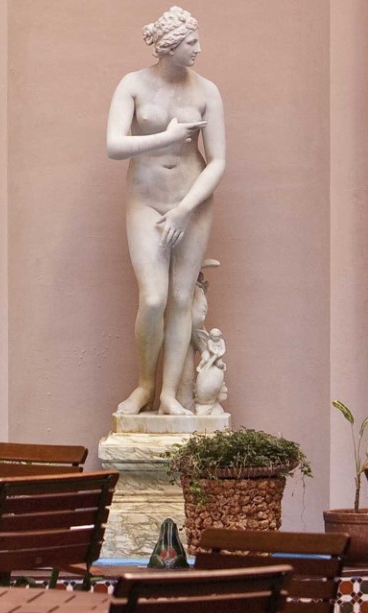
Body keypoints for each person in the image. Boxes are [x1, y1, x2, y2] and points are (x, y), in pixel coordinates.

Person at [107, 6, 226, 416]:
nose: (198, 49)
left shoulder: (207, 91)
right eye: (191, 43)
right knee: (154, 298)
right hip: (146, 200)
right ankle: (144, 384)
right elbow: (113, 145)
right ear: (170, 46)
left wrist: (185, 209)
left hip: (191, 204)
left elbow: (219, 162)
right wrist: (166, 137)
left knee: (180, 297)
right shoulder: (133, 85)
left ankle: (169, 394)